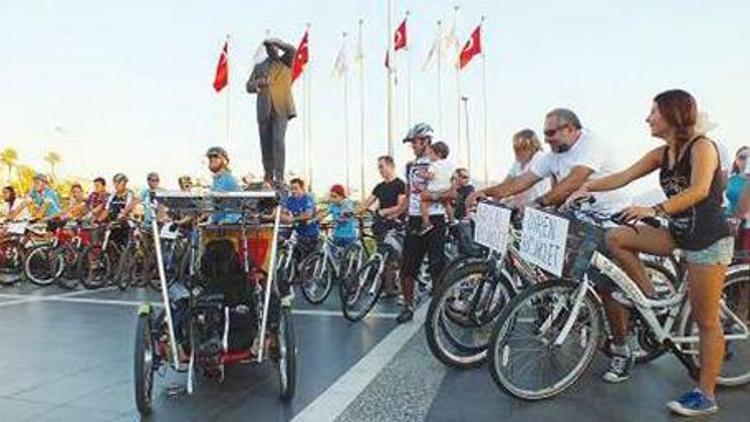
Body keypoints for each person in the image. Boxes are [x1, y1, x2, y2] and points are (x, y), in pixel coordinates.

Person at [569, 90, 732, 416]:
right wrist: (586, 188)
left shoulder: (702, 147)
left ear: (673, 114)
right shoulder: (662, 153)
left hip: (707, 240)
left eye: (653, 112)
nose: (648, 118)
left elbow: (699, 190)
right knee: (616, 238)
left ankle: (706, 395)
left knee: (706, 321)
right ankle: (647, 297)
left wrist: (654, 208)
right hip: (678, 231)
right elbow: (622, 176)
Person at [467, 108, 625, 215]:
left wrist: (538, 203)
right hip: (580, 214)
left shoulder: (591, 143)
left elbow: (572, 182)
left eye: (550, 133)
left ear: (569, 129)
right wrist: (485, 192)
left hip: (609, 214)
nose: (546, 140)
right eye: (544, 134)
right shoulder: (554, 155)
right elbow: (519, 182)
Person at [397, 123, 453, 324]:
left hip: (436, 218)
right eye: (411, 142)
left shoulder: (442, 164)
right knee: (407, 267)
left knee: (437, 265)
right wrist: (394, 212)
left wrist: (431, 196)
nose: (412, 145)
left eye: (415, 142)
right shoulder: (410, 166)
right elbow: (409, 194)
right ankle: (408, 305)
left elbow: (453, 192)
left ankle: (440, 309)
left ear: (427, 141)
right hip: (413, 218)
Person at [246, 38, 297, 185]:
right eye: (270, 48)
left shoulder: (285, 62)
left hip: (281, 106)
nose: (273, 50)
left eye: (275, 47)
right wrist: (259, 82)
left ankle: (279, 176)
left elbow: (292, 49)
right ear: (267, 50)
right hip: (264, 108)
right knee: (265, 143)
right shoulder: (259, 67)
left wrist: (277, 41)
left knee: (278, 141)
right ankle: (268, 175)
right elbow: (248, 86)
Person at [359, 155, 407, 240]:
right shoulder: (379, 186)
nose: (380, 170)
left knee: (393, 250)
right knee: (380, 248)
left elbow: (401, 206)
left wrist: (385, 211)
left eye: (381, 167)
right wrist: (352, 212)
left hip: (395, 224)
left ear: (391, 166)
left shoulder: (400, 184)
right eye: (379, 168)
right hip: (381, 223)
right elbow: (367, 202)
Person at [504, 129, 550, 208]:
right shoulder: (518, 162)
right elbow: (505, 184)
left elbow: (523, 187)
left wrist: (511, 202)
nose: (517, 152)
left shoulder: (539, 158)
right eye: (516, 148)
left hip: (539, 208)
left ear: (532, 148)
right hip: (523, 207)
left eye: (522, 148)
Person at [418, 141, 454, 234]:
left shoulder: (434, 164)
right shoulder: (449, 165)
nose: (429, 155)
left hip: (434, 190)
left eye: (431, 153)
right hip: (446, 189)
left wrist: (422, 174)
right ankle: (452, 220)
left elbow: (431, 176)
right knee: (447, 203)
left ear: (438, 154)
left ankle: (426, 223)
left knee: (423, 202)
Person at [281, 178, 320, 257]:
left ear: (302, 189)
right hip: (297, 234)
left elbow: (308, 214)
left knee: (308, 260)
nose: (293, 191)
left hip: (310, 234)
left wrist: (293, 219)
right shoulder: (290, 200)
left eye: (296, 188)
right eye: (291, 189)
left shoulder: (308, 199)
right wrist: (284, 217)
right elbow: (283, 212)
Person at [206, 146, 241, 223]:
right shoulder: (216, 179)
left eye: (215, 156)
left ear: (224, 160)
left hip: (230, 222)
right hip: (220, 221)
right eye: (210, 157)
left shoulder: (227, 179)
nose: (212, 159)